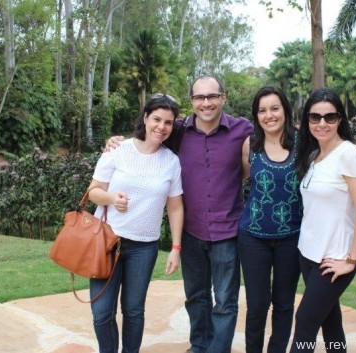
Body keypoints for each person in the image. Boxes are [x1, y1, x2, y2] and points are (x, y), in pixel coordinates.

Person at [106, 76, 254, 353]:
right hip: (192, 230)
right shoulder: (179, 131)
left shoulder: (242, 129)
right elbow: (149, 137)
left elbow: (271, 144)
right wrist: (115, 141)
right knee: (196, 296)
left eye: (212, 96)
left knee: (225, 300)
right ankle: (199, 345)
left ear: (224, 97)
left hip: (228, 229)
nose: (206, 103)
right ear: (192, 101)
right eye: (199, 97)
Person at [87, 93, 184, 353]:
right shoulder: (118, 149)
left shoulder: (171, 162)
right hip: (106, 242)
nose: (161, 127)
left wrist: (176, 248)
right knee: (102, 312)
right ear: (145, 118)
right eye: (156, 119)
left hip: (144, 247)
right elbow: (94, 191)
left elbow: (175, 207)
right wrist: (110, 198)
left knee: (133, 311)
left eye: (168, 122)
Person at [289, 88, 356, 353]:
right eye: (315, 117)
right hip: (309, 254)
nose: (322, 123)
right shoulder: (314, 155)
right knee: (331, 323)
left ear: (340, 119)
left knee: (304, 321)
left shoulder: (348, 153)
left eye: (330, 117)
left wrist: (350, 260)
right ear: (307, 120)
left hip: (334, 259)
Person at [238, 86, 302, 353]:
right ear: (256, 115)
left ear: (285, 110)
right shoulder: (249, 144)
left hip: (293, 236)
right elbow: (240, 179)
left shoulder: (304, 142)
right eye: (262, 110)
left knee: (284, 304)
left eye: (275, 108)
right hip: (253, 236)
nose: (269, 115)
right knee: (257, 305)